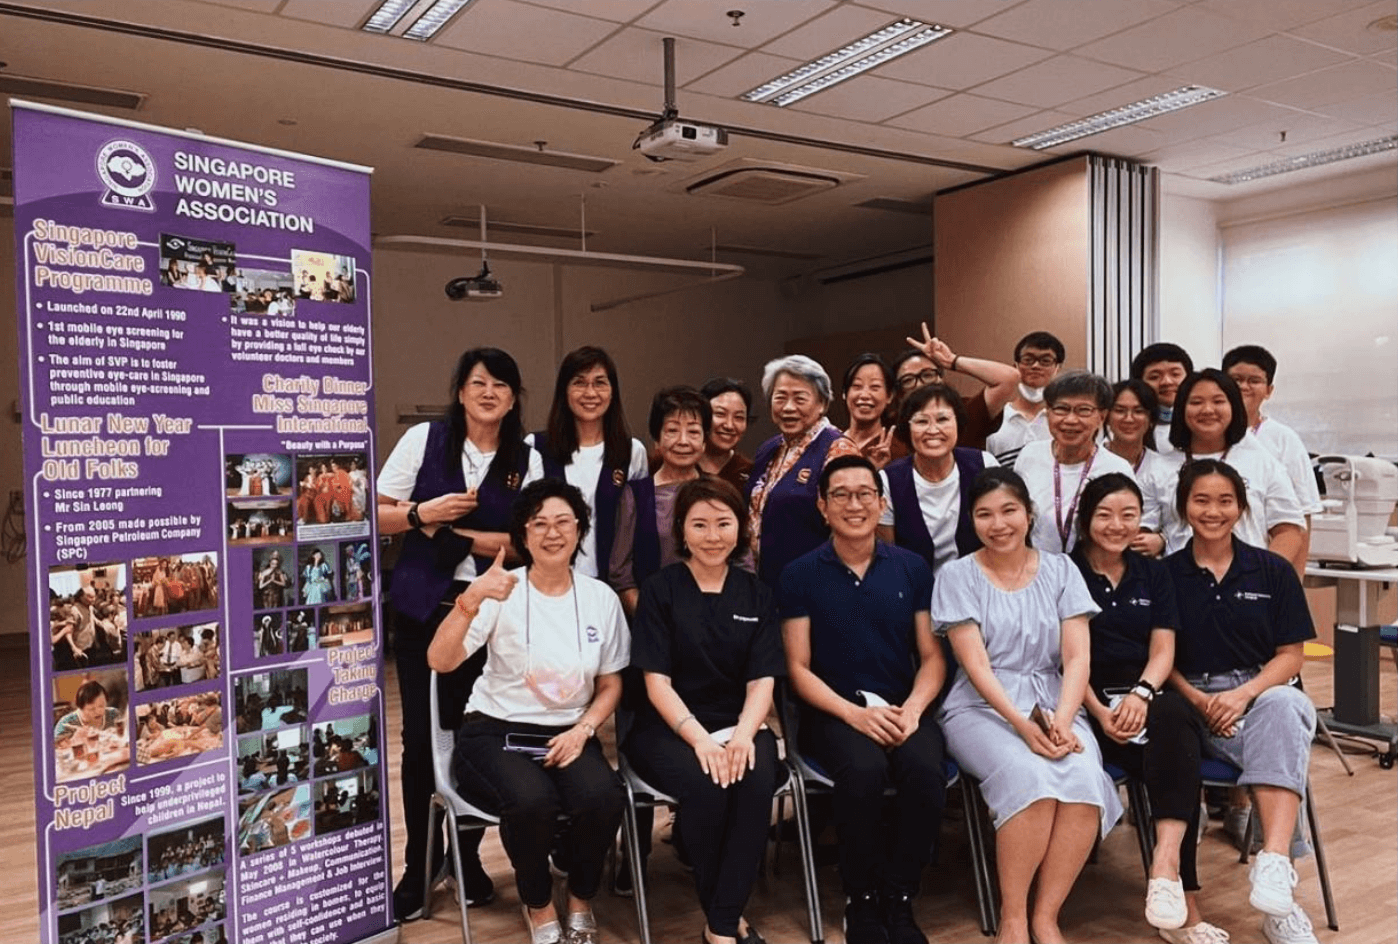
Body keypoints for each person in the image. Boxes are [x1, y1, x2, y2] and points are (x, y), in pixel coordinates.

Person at [376, 346, 544, 920]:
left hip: (494, 617)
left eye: (501, 383)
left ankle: (466, 856)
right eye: (478, 382)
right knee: (422, 741)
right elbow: (376, 513)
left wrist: (455, 534)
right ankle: (417, 867)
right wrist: (424, 514)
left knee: (478, 737)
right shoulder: (425, 440)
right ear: (460, 390)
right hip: (427, 609)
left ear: (514, 396)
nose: (488, 392)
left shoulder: (529, 457)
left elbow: (529, 543)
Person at [427, 479, 628, 944]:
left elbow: (612, 682)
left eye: (563, 522)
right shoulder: (503, 590)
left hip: (571, 732)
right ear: (523, 532)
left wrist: (584, 730)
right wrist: (472, 597)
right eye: (539, 524)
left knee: (603, 797)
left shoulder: (601, 598)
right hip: (495, 733)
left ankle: (580, 896)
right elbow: (440, 661)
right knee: (533, 801)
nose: (552, 533)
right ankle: (537, 904)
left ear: (579, 530)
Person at [931, 467, 1122, 944]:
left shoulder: (1060, 570)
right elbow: (975, 665)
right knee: (1030, 778)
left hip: (1057, 700)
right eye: (985, 515)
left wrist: (1060, 720)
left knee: (1082, 780)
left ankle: (1047, 915)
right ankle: (1013, 917)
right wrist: (1021, 724)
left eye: (1009, 511)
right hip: (982, 708)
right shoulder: (956, 575)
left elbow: (1078, 656)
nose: (999, 524)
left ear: (1029, 513)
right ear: (971, 520)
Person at [782, 456, 948, 944]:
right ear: (822, 505)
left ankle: (899, 895)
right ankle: (861, 899)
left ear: (881, 502)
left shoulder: (911, 568)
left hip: (903, 705)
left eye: (864, 494)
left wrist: (914, 709)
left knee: (925, 769)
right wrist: (855, 714)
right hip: (834, 711)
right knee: (864, 772)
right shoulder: (800, 574)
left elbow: (932, 656)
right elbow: (797, 667)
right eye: (841, 495)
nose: (854, 504)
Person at [1165, 459, 1322, 944]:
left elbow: (1291, 656)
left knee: (1287, 707)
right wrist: (1200, 698)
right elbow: (1157, 655)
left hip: (1256, 694)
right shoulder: (1163, 574)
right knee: (1283, 753)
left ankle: (1273, 869)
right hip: (1188, 701)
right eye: (1202, 500)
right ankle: (1281, 898)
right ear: (1183, 507)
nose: (1214, 511)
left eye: (1225, 501)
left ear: (1242, 507)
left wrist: (1242, 694)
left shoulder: (1271, 570)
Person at [623, 478, 785, 944]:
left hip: (739, 721)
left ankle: (718, 924)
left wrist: (741, 736)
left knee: (756, 780)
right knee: (707, 786)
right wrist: (698, 739)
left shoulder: (757, 594)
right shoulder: (660, 590)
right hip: (667, 726)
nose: (712, 536)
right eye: (700, 524)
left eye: (723, 523)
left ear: (741, 528)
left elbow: (762, 681)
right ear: (681, 530)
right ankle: (729, 920)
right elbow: (656, 682)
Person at [1069, 473, 1207, 937]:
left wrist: (1142, 693)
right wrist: (1100, 710)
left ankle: (1166, 873)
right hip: (1085, 700)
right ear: (1085, 520)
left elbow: (1163, 648)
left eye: (1129, 515)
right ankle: (1186, 909)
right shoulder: (1064, 571)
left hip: (1144, 696)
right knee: (1175, 766)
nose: (1117, 525)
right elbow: (1066, 658)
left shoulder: (1154, 572)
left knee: (1174, 724)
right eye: (1105, 514)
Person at [1158, 370, 1306, 573]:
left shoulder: (1262, 462)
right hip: (1178, 587)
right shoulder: (1160, 467)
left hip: (1247, 586)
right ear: (1181, 409)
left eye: (1218, 401)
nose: (1208, 410)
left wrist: (1264, 579)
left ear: (1233, 407)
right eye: (1196, 402)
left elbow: (1288, 530)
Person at [528, 346, 648, 580]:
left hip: (610, 587)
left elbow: (637, 526)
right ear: (564, 391)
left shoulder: (632, 451)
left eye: (600, 383)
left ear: (613, 392)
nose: (590, 393)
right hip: (549, 582)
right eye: (579, 383)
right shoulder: (537, 447)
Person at [745, 355, 861, 587]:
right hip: (764, 585)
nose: (788, 407)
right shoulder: (769, 449)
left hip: (815, 585)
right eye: (780, 397)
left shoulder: (838, 448)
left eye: (800, 398)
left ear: (822, 404)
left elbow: (851, 525)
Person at [610, 386, 717, 616]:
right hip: (654, 625)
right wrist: (654, 621)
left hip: (715, 625)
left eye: (694, 432)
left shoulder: (719, 493)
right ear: (657, 439)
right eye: (672, 430)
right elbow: (621, 574)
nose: (683, 441)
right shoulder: (636, 495)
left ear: (705, 442)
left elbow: (741, 563)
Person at [878, 383, 998, 574]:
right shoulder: (888, 481)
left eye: (942, 419)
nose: (933, 430)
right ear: (907, 429)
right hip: (916, 592)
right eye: (921, 421)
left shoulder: (984, 465)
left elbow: (1000, 535)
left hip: (980, 584)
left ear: (958, 423)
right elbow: (888, 556)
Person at [1013, 371, 1138, 555]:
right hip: (1037, 568)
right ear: (1048, 412)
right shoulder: (1030, 455)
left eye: (1084, 410)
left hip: (1093, 571)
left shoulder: (1116, 469)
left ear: (1102, 417)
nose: (1071, 420)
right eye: (1061, 409)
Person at [1223, 345, 1323, 559]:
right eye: (1236, 379)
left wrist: (1294, 582)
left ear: (1269, 390)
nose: (1243, 387)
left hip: (1262, 563)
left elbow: (1301, 518)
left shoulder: (1284, 440)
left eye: (1254, 381)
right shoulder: (1206, 434)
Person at [892, 322, 1019, 452]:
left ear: (941, 379)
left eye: (927, 375)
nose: (919, 384)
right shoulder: (892, 432)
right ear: (899, 394)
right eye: (908, 380)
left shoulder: (963, 412)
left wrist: (951, 361)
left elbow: (1009, 379)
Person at [1103, 378, 1172, 556]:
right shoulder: (1092, 462)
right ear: (1106, 417)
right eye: (1119, 411)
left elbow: (1179, 523)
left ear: (1151, 419)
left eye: (1138, 411)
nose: (1129, 418)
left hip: (1148, 563)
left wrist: (1163, 540)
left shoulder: (1166, 469)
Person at [986, 331, 1063, 466]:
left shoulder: (1063, 420)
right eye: (1028, 360)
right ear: (1015, 365)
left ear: (1058, 368)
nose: (1036, 366)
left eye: (1045, 361)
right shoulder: (996, 417)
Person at [1130, 343, 1195, 460]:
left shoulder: (1204, 424)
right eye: (1155, 377)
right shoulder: (1127, 427)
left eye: (1175, 374)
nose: (1167, 382)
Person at [841, 353, 896, 470]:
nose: (865, 395)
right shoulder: (830, 442)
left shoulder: (897, 448)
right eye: (857, 386)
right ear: (845, 393)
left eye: (875, 387)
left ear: (889, 396)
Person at [697, 377, 755, 490]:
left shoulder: (752, 475)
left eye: (739, 417)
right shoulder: (677, 463)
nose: (729, 425)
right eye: (720, 414)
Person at [55, 681, 122, 741]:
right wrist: (74, 740)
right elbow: (54, 750)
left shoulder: (113, 715)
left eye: (101, 705)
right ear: (80, 708)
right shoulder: (66, 724)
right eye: (91, 709)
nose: (98, 711)